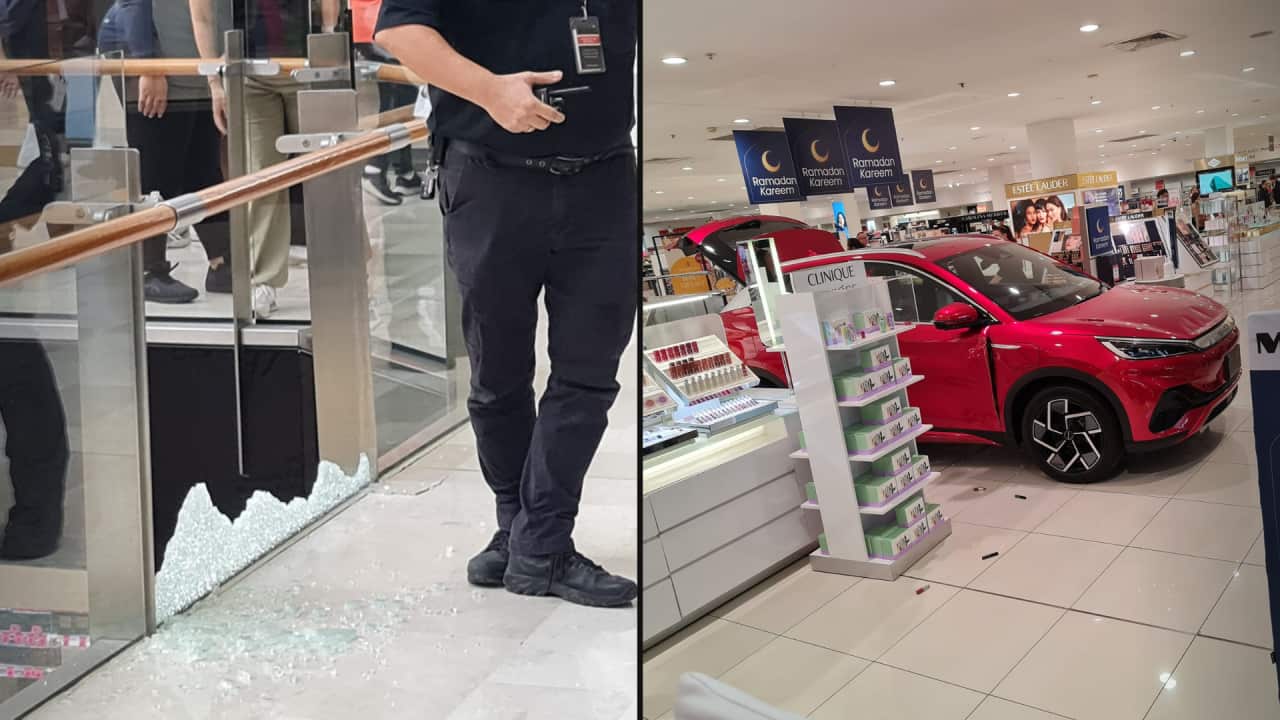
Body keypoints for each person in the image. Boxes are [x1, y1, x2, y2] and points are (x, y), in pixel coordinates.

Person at [374, 1, 637, 607]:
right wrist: (489, 90)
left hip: (603, 177)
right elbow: (400, 32)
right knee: (497, 372)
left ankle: (538, 541)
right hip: (490, 176)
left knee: (589, 371)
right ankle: (522, 531)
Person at [98, 0, 233, 303]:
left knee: (203, 167)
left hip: (196, 66)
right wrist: (148, 63)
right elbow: (132, 3)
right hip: (151, 60)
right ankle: (149, 271)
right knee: (156, 168)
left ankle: (222, 263)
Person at [352, 0, 422, 205]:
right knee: (397, 100)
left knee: (402, 96)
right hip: (380, 24)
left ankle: (406, 172)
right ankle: (375, 167)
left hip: (372, 23)